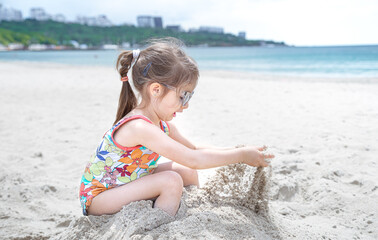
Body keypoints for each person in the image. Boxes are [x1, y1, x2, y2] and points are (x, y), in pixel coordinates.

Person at [79, 38, 274, 217]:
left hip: (130, 182)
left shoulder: (163, 126)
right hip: (100, 197)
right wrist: (241, 156)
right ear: (156, 89)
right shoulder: (139, 127)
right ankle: (161, 226)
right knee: (171, 180)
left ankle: (189, 208)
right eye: (183, 96)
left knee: (187, 172)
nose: (186, 104)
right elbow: (193, 159)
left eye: (190, 96)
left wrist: (238, 150)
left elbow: (194, 150)